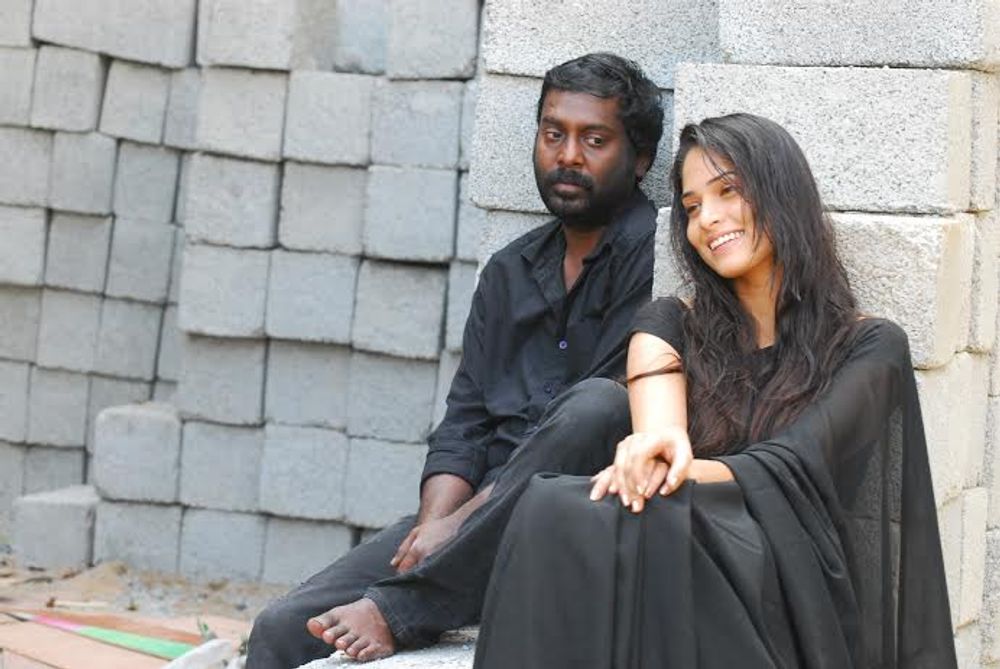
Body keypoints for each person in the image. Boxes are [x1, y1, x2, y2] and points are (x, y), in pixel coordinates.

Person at [472, 113, 957, 668]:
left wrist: (677, 471)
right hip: (680, 542)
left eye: (728, 191)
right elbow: (661, 438)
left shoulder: (870, 345)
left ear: (781, 191)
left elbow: (797, 461)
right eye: (692, 206)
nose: (708, 219)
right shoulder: (668, 324)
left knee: (642, 513)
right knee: (551, 505)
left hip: (790, 581)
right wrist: (655, 452)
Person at [245, 52, 665, 667]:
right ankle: (423, 586)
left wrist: (462, 524)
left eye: (594, 140)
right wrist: (435, 525)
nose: (568, 156)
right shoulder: (509, 271)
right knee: (283, 627)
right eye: (553, 134)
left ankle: (404, 609)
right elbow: (465, 419)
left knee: (597, 405)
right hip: (474, 513)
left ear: (641, 159)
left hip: (576, 513)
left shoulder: (653, 260)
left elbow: (592, 432)